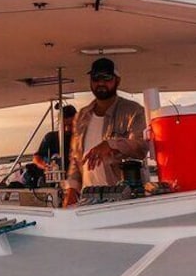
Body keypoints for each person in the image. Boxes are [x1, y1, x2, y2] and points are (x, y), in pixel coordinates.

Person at [62, 58, 148, 207]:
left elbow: (141, 147)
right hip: (88, 200)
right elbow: (76, 159)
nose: (101, 82)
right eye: (96, 78)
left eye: (106, 77)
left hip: (124, 202)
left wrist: (110, 144)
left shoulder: (134, 111)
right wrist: (71, 189)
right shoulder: (81, 116)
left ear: (117, 80)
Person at [32, 104, 77, 176]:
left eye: (71, 125)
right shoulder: (51, 137)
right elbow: (37, 157)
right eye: (64, 125)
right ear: (59, 123)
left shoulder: (81, 137)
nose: (67, 129)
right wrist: (45, 166)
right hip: (58, 176)